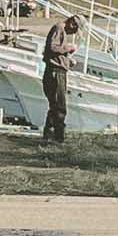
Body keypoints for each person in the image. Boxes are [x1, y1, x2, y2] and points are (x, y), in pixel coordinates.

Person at [42, 14, 79, 143]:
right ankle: (58, 137)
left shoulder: (60, 30)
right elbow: (52, 47)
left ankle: (49, 135)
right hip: (56, 73)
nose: (74, 32)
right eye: (76, 29)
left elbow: (55, 52)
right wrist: (67, 48)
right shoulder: (59, 28)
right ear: (72, 23)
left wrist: (68, 60)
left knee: (55, 106)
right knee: (60, 107)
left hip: (56, 71)